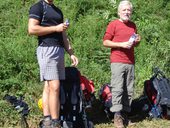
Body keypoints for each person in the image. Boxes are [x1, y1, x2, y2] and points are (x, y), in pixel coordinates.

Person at [28, 0, 78, 128]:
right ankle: (56, 123)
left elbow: (63, 34)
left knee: (48, 86)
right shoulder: (37, 7)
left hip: (59, 50)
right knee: (55, 86)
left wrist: (71, 53)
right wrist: (55, 28)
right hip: (46, 49)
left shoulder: (57, 11)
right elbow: (32, 29)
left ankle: (47, 119)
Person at [103, 0, 141, 128]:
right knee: (118, 88)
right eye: (124, 10)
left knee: (128, 90)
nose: (126, 12)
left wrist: (137, 41)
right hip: (117, 61)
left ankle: (125, 116)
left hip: (130, 61)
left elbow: (134, 43)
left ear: (131, 12)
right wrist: (121, 44)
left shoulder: (133, 25)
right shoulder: (113, 24)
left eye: (128, 10)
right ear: (119, 12)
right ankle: (117, 117)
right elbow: (105, 42)